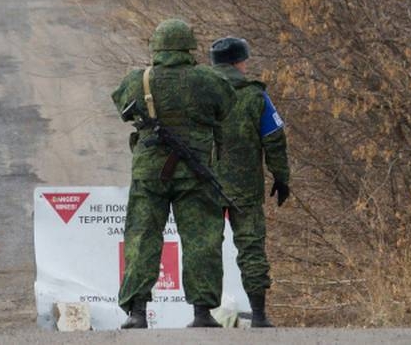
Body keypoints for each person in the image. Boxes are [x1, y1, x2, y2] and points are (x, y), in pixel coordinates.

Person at [111, 19, 236, 329]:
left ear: (156, 47)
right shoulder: (208, 79)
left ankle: (137, 312)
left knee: (141, 238)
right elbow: (226, 107)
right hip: (195, 174)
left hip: (149, 174)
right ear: (188, 47)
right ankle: (202, 313)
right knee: (202, 240)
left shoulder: (138, 80)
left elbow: (120, 105)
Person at [209, 37, 290, 328]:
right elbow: (274, 140)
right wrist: (281, 177)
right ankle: (258, 314)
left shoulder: (199, 91)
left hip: (204, 187)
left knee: (204, 249)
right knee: (252, 248)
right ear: (238, 62)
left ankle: (201, 315)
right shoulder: (256, 95)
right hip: (245, 188)